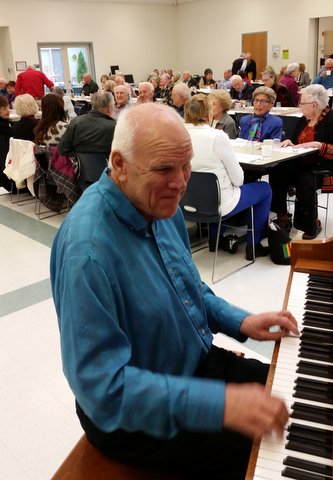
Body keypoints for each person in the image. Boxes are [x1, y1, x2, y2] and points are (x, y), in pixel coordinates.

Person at [50, 101, 298, 480]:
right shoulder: (87, 252)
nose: (181, 182)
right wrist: (219, 405)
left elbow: (188, 286)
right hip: (131, 417)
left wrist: (242, 321)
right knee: (271, 452)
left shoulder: (157, 203)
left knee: (293, 396)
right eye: (165, 168)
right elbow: (102, 390)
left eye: (186, 165)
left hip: (190, 365)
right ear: (118, 163)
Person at [185, 93, 272, 259]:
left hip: (186, 202)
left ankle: (214, 240)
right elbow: (238, 180)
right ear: (208, 113)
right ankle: (254, 245)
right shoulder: (217, 136)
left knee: (212, 190)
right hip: (218, 204)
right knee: (264, 188)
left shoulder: (179, 133)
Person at [269, 84, 333, 239]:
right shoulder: (303, 120)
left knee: (305, 180)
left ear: (314, 105)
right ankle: (282, 215)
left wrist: (319, 145)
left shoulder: (331, 120)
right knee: (277, 170)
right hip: (301, 163)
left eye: (302, 103)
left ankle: (311, 224)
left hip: (322, 167)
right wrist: (291, 142)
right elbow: (298, 141)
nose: (299, 106)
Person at [58, 91, 115, 157]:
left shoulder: (75, 122)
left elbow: (62, 149)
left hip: (81, 165)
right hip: (107, 165)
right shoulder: (114, 127)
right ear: (110, 108)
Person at [0, 96, 13, 191]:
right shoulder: (2, 126)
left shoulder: (5, 123)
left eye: (8, 108)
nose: (7, 111)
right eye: (4, 109)